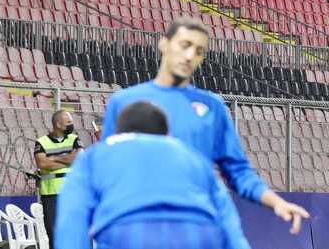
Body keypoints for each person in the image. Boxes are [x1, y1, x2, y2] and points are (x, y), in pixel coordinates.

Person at [102, 18, 310, 235]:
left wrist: (277, 202)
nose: (191, 56)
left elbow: (238, 171)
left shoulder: (213, 107)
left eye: (199, 51)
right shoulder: (123, 102)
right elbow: (108, 170)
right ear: (164, 44)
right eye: (185, 45)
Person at [57, 101, 251, 249]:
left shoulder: (92, 158)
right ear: (166, 133)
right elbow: (228, 222)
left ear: (119, 131)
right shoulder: (194, 159)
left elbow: (72, 221)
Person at [34, 109, 81, 248]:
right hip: (50, 194)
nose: (71, 125)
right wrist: (67, 159)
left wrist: (53, 159)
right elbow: (42, 163)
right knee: (53, 233)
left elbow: (79, 158)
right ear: (58, 124)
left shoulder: (74, 138)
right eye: (68, 122)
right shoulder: (41, 142)